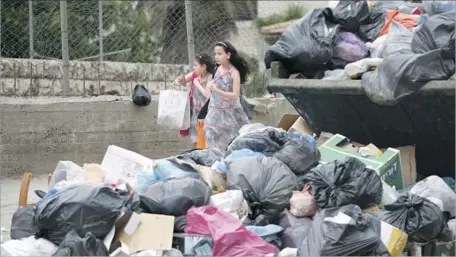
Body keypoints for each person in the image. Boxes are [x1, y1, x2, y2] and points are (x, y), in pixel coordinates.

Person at [204, 41, 250, 149]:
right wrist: (209, 86)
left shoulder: (234, 73)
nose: (216, 57)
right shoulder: (217, 68)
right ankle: (212, 160)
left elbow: (235, 95)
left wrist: (216, 90)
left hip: (230, 113)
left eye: (220, 54)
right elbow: (213, 85)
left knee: (230, 140)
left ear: (228, 55)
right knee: (210, 135)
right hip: (215, 110)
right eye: (215, 54)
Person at [174, 54, 215, 148]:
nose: (194, 67)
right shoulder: (195, 74)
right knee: (195, 137)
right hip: (194, 113)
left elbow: (207, 95)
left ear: (203, 66)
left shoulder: (210, 77)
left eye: (196, 65)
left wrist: (197, 84)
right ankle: (195, 155)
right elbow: (181, 81)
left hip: (206, 113)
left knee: (204, 137)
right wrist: (180, 80)